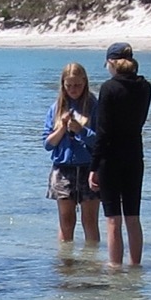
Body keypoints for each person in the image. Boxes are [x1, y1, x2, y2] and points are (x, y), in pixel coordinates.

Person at [92, 41, 150, 265]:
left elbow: (103, 131)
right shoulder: (145, 87)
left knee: (113, 220)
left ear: (111, 63)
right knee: (133, 218)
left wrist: (93, 166)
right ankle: (135, 267)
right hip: (134, 155)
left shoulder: (109, 88)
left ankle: (115, 270)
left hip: (110, 158)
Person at [44, 61, 101, 250]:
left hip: (88, 168)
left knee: (90, 220)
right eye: (69, 85)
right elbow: (47, 144)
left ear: (85, 82)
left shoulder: (94, 106)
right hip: (63, 169)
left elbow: (100, 141)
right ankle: (65, 263)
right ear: (63, 85)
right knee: (66, 221)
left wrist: (80, 130)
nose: (73, 90)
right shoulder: (56, 108)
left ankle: (91, 262)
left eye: (77, 85)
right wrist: (62, 128)